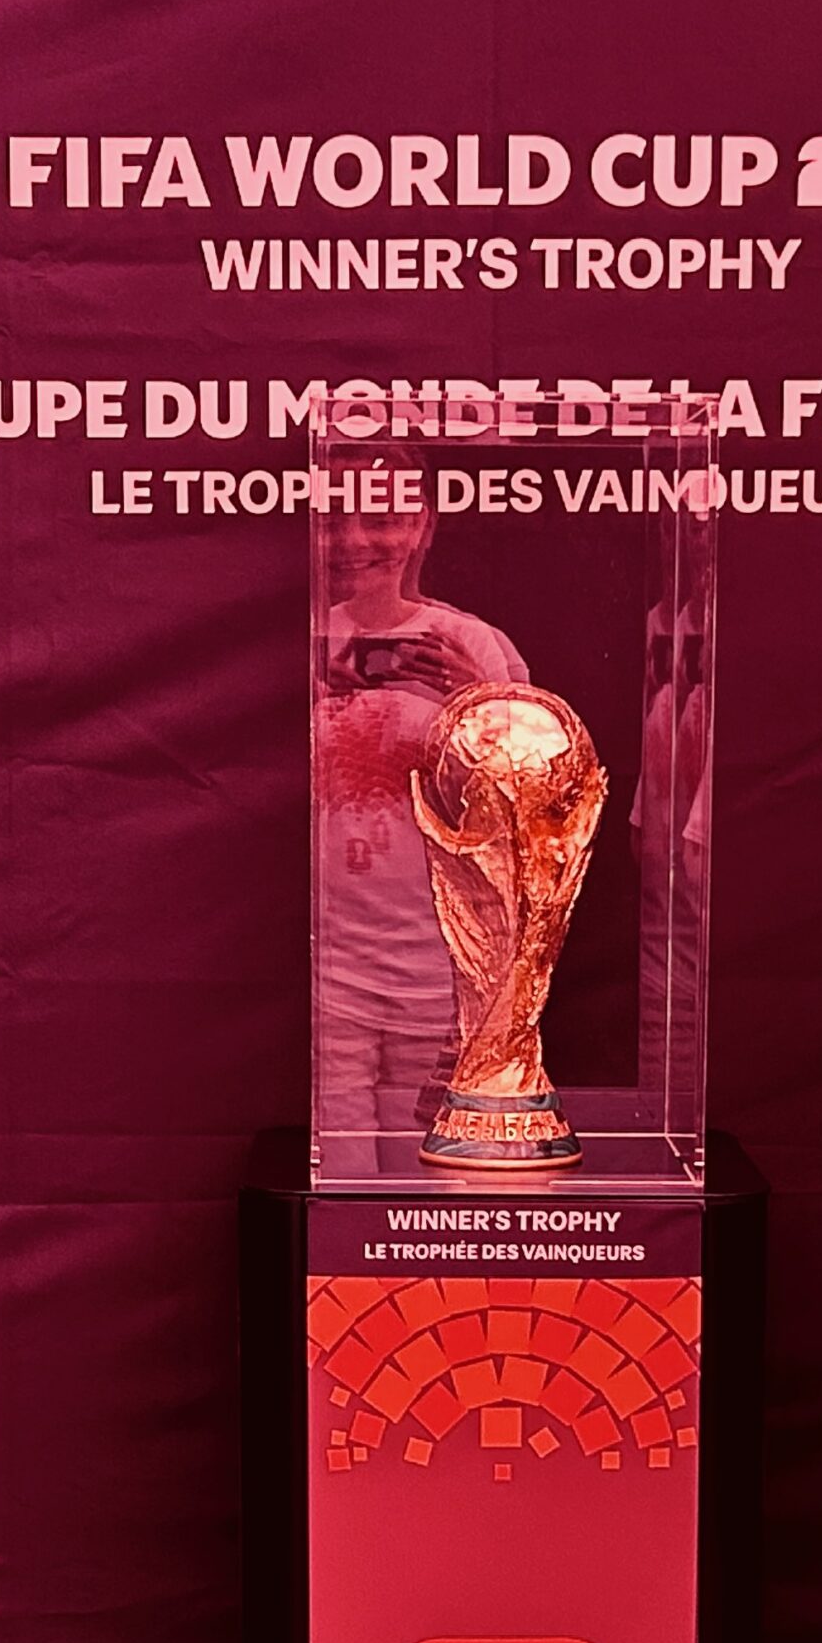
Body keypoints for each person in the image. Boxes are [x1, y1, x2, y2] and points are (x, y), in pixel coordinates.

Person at [314, 503, 528, 1175]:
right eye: (337, 518)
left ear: (421, 528)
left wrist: (479, 698)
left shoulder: (471, 643)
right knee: (341, 1181)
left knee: (425, 1184)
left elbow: (532, 797)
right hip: (332, 970)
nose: (356, 539)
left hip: (438, 972)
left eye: (382, 519)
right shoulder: (303, 642)